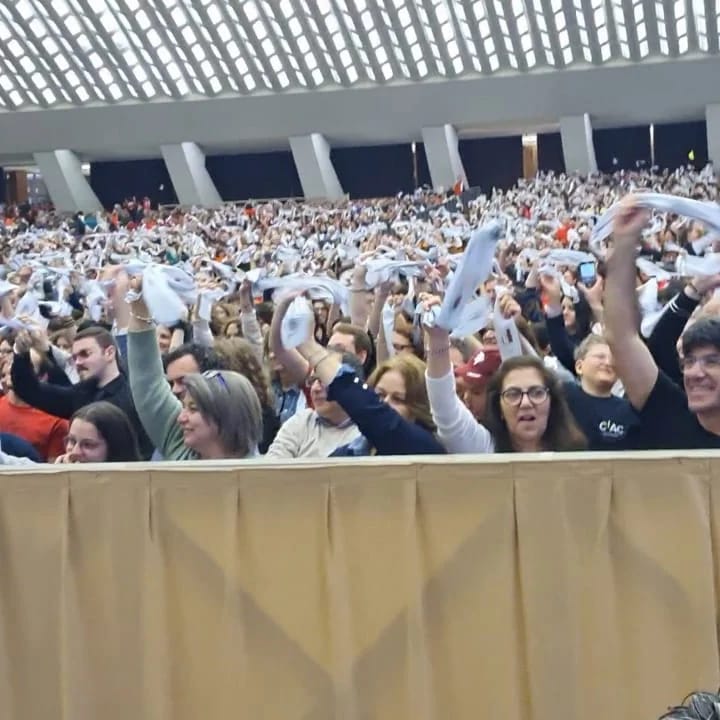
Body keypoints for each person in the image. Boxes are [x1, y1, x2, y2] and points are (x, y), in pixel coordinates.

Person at [604, 198, 720, 448]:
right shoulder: (670, 414)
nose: (695, 373)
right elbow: (621, 337)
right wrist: (624, 244)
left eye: (712, 361)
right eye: (689, 362)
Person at [127, 277, 263, 460]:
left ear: (226, 415)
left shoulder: (262, 474)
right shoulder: (179, 443)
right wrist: (140, 303)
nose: (181, 418)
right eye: (184, 407)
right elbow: (147, 382)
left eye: (193, 408)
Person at [10, 325, 154, 458]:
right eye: (75, 357)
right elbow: (32, 391)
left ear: (109, 353)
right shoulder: (84, 392)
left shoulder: (133, 397)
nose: (78, 362)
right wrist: (21, 353)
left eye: (85, 354)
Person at [564, 334, 640, 450]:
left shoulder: (629, 411)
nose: (608, 363)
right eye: (600, 357)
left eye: (614, 358)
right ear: (579, 366)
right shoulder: (563, 397)